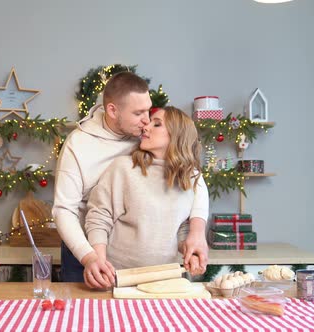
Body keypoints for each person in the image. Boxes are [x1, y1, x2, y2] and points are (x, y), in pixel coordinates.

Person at [52, 72, 207, 289]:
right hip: (83, 246)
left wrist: (197, 233)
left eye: (149, 111)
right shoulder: (78, 145)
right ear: (113, 111)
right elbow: (64, 210)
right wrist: (90, 257)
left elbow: (193, 179)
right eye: (138, 113)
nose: (145, 122)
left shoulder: (144, 136)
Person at [84, 106, 209, 276]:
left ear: (177, 136)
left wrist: (190, 255)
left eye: (157, 124)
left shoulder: (188, 178)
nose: (146, 127)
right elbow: (99, 218)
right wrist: (99, 262)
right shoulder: (123, 168)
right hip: (118, 277)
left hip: (164, 278)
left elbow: (180, 230)